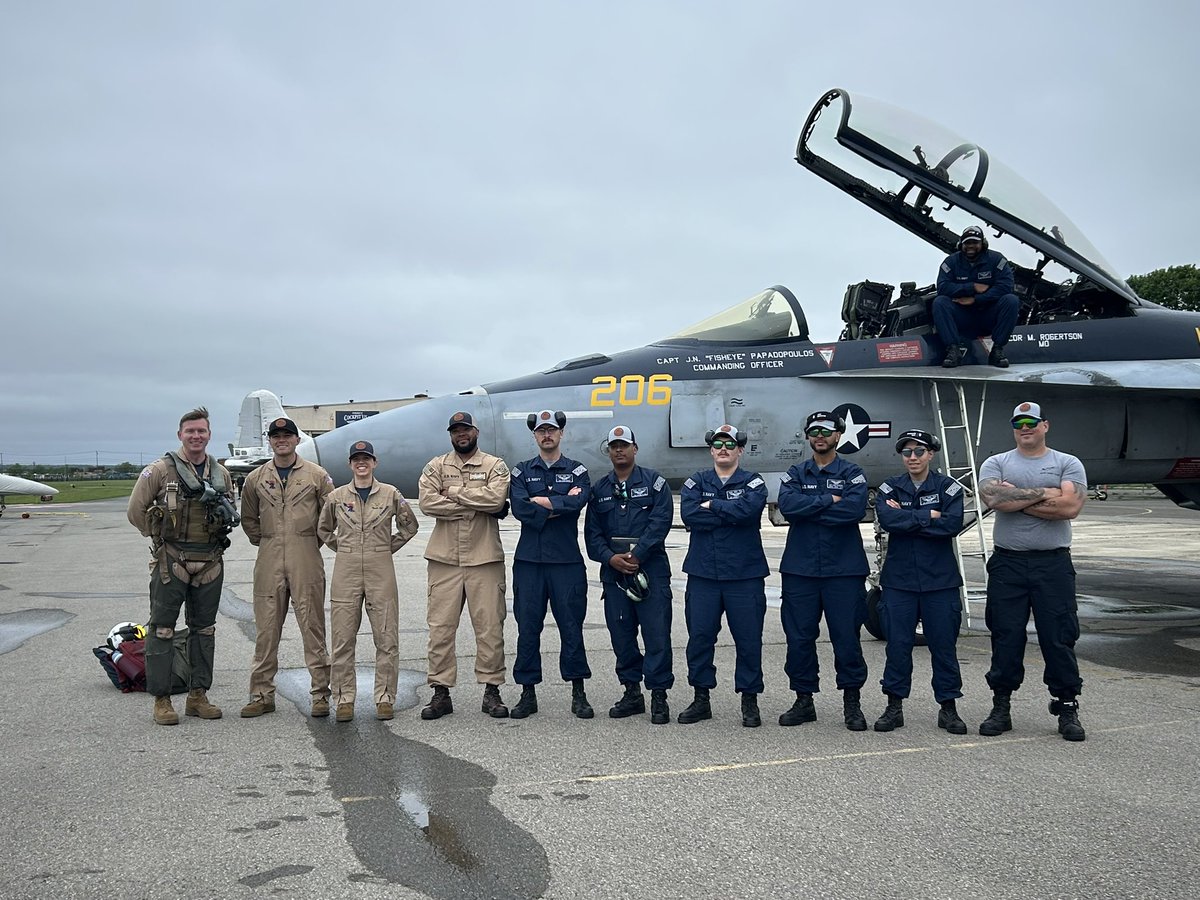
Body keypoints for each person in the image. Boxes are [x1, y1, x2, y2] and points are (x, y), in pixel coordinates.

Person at [977, 401, 1087, 741]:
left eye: (1032, 422)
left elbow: (1070, 507)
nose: (1026, 427)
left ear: (1045, 426)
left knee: (1058, 636)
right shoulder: (996, 462)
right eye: (1019, 422)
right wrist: (1045, 494)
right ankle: (1001, 706)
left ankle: (1066, 705)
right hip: (1008, 563)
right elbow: (994, 499)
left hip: (1052, 564)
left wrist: (1017, 499)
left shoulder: (1068, 463)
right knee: (1006, 635)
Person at [127, 407, 238, 726]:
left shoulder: (221, 473)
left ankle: (197, 696)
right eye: (190, 431)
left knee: (204, 630)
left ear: (209, 435)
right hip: (171, 561)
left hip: (210, 562)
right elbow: (136, 510)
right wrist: (160, 539)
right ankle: (162, 700)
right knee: (162, 628)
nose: (196, 436)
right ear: (180, 435)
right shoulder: (160, 470)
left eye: (201, 431)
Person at [775, 411, 871, 731]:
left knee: (846, 638)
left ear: (838, 435)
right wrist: (830, 498)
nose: (820, 435)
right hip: (801, 570)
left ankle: (852, 703)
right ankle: (804, 700)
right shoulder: (794, 473)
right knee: (799, 638)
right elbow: (788, 507)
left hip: (843, 571)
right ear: (807, 436)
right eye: (814, 430)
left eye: (827, 430)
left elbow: (854, 509)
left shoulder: (853, 472)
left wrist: (810, 506)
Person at [417, 411, 512, 720]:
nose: (461, 434)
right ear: (451, 434)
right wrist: (472, 505)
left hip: (484, 559)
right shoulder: (436, 466)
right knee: (441, 629)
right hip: (444, 560)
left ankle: (491, 691)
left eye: (466, 429)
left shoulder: (494, 466)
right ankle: (441, 693)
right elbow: (427, 502)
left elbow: (496, 501)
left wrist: (455, 493)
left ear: (476, 432)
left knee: (489, 628)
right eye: (456, 430)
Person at [872, 430, 968, 734]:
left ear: (931, 454)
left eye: (919, 451)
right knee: (898, 646)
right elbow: (888, 520)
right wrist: (930, 515)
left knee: (944, 647)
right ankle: (894, 707)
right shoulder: (890, 487)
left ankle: (949, 708)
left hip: (940, 582)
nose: (912, 457)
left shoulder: (949, 487)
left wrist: (910, 516)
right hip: (900, 582)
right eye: (907, 453)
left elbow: (952, 524)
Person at [239, 417, 335, 719]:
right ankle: (261, 694)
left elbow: (328, 516)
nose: (282, 440)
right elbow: (249, 520)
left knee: (313, 627)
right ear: (270, 441)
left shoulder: (317, 475)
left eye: (287, 435)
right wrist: (269, 542)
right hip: (268, 556)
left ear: (296, 440)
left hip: (306, 555)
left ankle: (320, 694)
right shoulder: (255, 478)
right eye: (276, 436)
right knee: (266, 630)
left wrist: (306, 543)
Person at [317, 441, 419, 722]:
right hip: (346, 569)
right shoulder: (337, 497)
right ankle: (344, 699)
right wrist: (343, 547)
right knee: (342, 638)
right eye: (356, 459)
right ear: (350, 464)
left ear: (374, 462)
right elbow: (324, 529)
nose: (361, 463)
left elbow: (409, 525)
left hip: (380, 568)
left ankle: (385, 698)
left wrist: (387, 547)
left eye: (366, 459)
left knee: (386, 636)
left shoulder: (390, 494)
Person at [677, 424, 769, 728]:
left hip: (745, 575)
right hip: (704, 574)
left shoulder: (753, 482)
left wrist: (713, 505)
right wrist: (729, 512)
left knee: (748, 639)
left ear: (740, 450)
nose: (724, 449)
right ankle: (701, 698)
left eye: (730, 444)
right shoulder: (695, 482)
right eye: (718, 444)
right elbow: (690, 515)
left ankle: (749, 700)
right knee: (700, 638)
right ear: (711, 450)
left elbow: (749, 512)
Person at [584, 425, 675, 724]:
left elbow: (660, 524)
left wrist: (636, 556)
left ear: (635, 448)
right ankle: (632, 692)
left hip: (651, 571)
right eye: (614, 446)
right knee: (622, 637)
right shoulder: (599, 490)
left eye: (624, 445)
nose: (619, 450)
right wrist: (611, 559)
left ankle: (659, 695)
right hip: (615, 577)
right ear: (609, 451)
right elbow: (592, 536)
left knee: (656, 635)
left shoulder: (655, 484)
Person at [509, 410, 594, 719]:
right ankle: (527, 693)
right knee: (527, 627)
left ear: (561, 433)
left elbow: (579, 502)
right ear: (534, 435)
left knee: (572, 627)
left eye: (552, 430)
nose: (547, 434)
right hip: (529, 562)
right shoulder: (520, 472)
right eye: (541, 430)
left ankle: (578, 693)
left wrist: (542, 501)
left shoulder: (577, 470)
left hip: (566, 562)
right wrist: (559, 501)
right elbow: (520, 509)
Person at [932, 224, 1021, 369]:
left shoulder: (997, 260)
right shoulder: (951, 262)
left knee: (1011, 300)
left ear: (983, 244)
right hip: (963, 316)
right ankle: (953, 351)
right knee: (940, 302)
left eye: (975, 242)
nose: (970, 246)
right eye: (967, 243)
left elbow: (1006, 287)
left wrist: (976, 299)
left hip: (988, 315)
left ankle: (997, 351)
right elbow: (942, 287)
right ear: (961, 244)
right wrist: (971, 287)